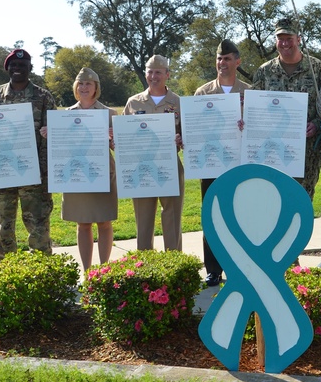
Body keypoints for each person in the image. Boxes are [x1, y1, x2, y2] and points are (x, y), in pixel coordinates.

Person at [0, 48, 56, 257]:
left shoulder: (43, 97)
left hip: (35, 174)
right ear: (7, 68)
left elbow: (56, 133)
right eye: (13, 65)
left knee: (38, 227)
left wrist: (51, 131)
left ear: (30, 68)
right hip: (2, 172)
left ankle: (42, 269)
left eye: (22, 65)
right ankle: (8, 269)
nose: (17, 68)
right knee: (4, 227)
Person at [43, 68, 118, 270]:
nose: (84, 87)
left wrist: (115, 138)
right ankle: (87, 271)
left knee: (104, 222)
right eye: (81, 84)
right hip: (75, 174)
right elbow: (61, 147)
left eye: (89, 84)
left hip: (101, 173)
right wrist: (51, 133)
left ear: (96, 87)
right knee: (83, 223)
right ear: (76, 87)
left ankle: (104, 270)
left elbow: (117, 147)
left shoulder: (109, 113)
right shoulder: (66, 115)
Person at [250, 17, 321, 199]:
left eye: (289, 38)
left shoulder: (317, 68)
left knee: (301, 199)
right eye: (280, 38)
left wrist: (317, 124)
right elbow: (255, 109)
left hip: (307, 151)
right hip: (271, 151)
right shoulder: (265, 71)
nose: (284, 43)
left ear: (298, 39)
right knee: (271, 198)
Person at [194, 40, 249, 286]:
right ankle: (213, 269)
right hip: (211, 164)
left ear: (237, 61)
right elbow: (194, 128)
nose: (222, 63)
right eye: (219, 58)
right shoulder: (203, 93)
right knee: (212, 216)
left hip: (240, 164)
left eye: (227, 58)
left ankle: (240, 267)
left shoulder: (250, 92)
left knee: (241, 216)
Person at [124, 54, 184, 252]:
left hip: (170, 165)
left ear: (167, 74)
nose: (153, 76)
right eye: (150, 72)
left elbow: (189, 135)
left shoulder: (178, 102)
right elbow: (124, 136)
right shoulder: (134, 103)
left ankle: (175, 262)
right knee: (143, 218)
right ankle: (145, 263)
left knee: (172, 217)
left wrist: (181, 139)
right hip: (141, 167)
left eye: (158, 72)